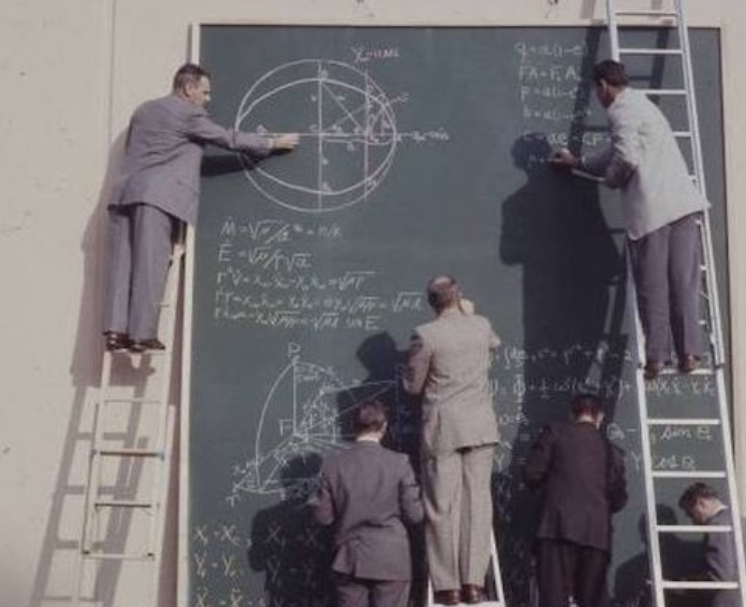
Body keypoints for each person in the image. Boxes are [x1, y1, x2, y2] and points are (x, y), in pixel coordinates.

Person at [102, 63, 299, 352]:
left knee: (122, 264)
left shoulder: (143, 110)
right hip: (158, 197)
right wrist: (271, 142)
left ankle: (115, 332)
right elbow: (228, 138)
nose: (207, 100)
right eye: (204, 92)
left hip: (124, 193)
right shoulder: (186, 112)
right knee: (150, 264)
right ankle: (141, 335)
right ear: (188, 88)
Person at [550, 59, 710, 379]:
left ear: (604, 86)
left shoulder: (620, 111)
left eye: (597, 90)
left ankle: (656, 357)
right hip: (682, 205)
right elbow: (616, 150)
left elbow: (625, 158)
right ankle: (689, 352)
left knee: (653, 286)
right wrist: (579, 162)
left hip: (652, 211)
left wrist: (611, 180)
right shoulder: (642, 105)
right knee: (683, 282)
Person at [403, 275, 501, 606]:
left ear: (431, 302)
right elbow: (495, 343)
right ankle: (474, 582)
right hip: (479, 427)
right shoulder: (480, 324)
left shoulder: (426, 335)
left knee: (442, 506)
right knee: (478, 504)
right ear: (458, 295)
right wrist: (468, 312)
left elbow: (412, 387)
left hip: (443, 429)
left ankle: (448, 587)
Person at [309, 400, 425, 607]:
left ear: (354, 427)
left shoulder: (333, 465)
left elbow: (323, 517)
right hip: (391, 559)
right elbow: (415, 514)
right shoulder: (399, 462)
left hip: (349, 560)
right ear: (384, 427)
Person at [524, 393, 628, 607]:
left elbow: (531, 474)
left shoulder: (554, 433)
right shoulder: (612, 451)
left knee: (553, 599)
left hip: (556, 529)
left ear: (571, 414)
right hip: (596, 535)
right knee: (594, 600)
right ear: (600, 417)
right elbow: (618, 498)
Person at [679, 482, 746, 607]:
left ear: (701, 502)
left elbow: (719, 576)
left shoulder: (718, 527)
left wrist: (685, 584)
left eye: (691, 514)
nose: (693, 522)